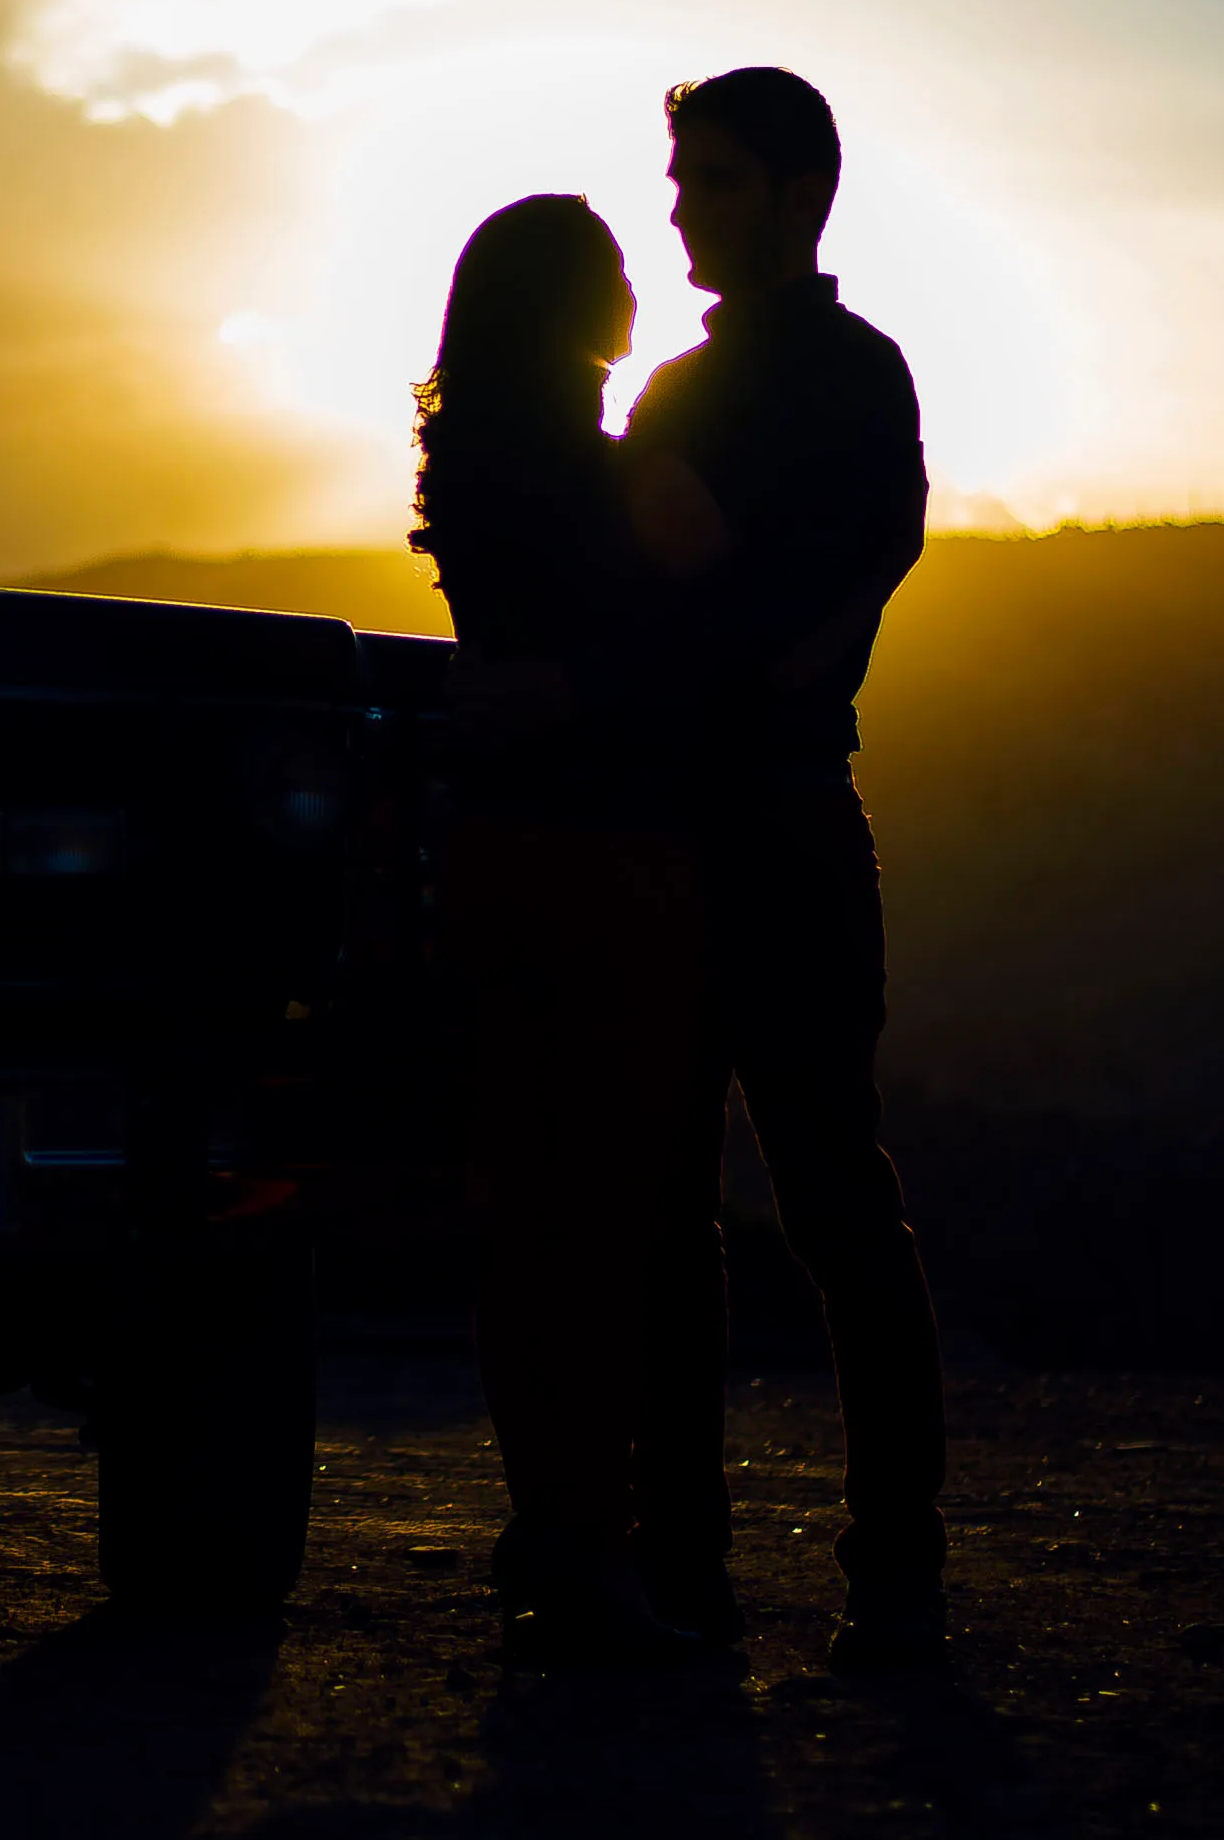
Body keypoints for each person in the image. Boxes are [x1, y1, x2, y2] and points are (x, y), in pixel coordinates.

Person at [619, 66, 949, 1672]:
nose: (680, 202)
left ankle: (884, 1564)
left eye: (716, 177)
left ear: (799, 191)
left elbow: (817, 599)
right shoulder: (689, 393)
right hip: (700, 823)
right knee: (683, 1206)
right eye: (683, 175)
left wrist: (705, 631)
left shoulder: (846, 382)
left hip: (774, 820)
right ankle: (686, 1554)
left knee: (824, 1197)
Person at [411, 194, 725, 1668]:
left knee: (529, 1213)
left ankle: (548, 1521)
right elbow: (677, 644)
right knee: (602, 1220)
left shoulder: (469, 462)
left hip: (493, 855)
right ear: (580, 310)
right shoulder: (607, 480)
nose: (632, 293)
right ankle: (591, 1547)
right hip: (612, 861)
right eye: (610, 276)